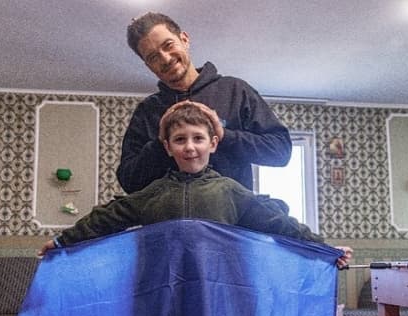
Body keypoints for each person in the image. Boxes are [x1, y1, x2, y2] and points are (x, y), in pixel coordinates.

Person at [40, 103, 353, 267]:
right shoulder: (153, 194)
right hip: (162, 288)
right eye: (180, 139)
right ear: (168, 147)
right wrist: (62, 242)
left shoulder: (231, 191)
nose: (190, 147)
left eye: (198, 138)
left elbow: (280, 223)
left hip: (219, 287)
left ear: (213, 143)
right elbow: (107, 217)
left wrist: (324, 248)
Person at [117, 12, 292, 194]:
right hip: (167, 212)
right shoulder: (147, 111)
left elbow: (281, 152)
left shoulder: (235, 91)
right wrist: (160, 144)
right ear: (148, 65)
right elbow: (129, 182)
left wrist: (224, 136)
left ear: (184, 39)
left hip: (233, 211)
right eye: (153, 57)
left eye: (168, 45)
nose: (166, 59)